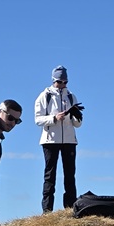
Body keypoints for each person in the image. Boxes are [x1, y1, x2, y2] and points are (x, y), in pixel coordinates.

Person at [34, 65, 83, 212]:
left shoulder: (71, 96)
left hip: (69, 140)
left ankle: (70, 207)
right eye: (59, 82)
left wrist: (76, 117)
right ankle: (47, 209)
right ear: (53, 80)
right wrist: (54, 118)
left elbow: (78, 125)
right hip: (50, 141)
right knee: (50, 175)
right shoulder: (44, 96)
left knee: (70, 174)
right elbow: (38, 119)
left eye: (65, 82)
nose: (62, 85)